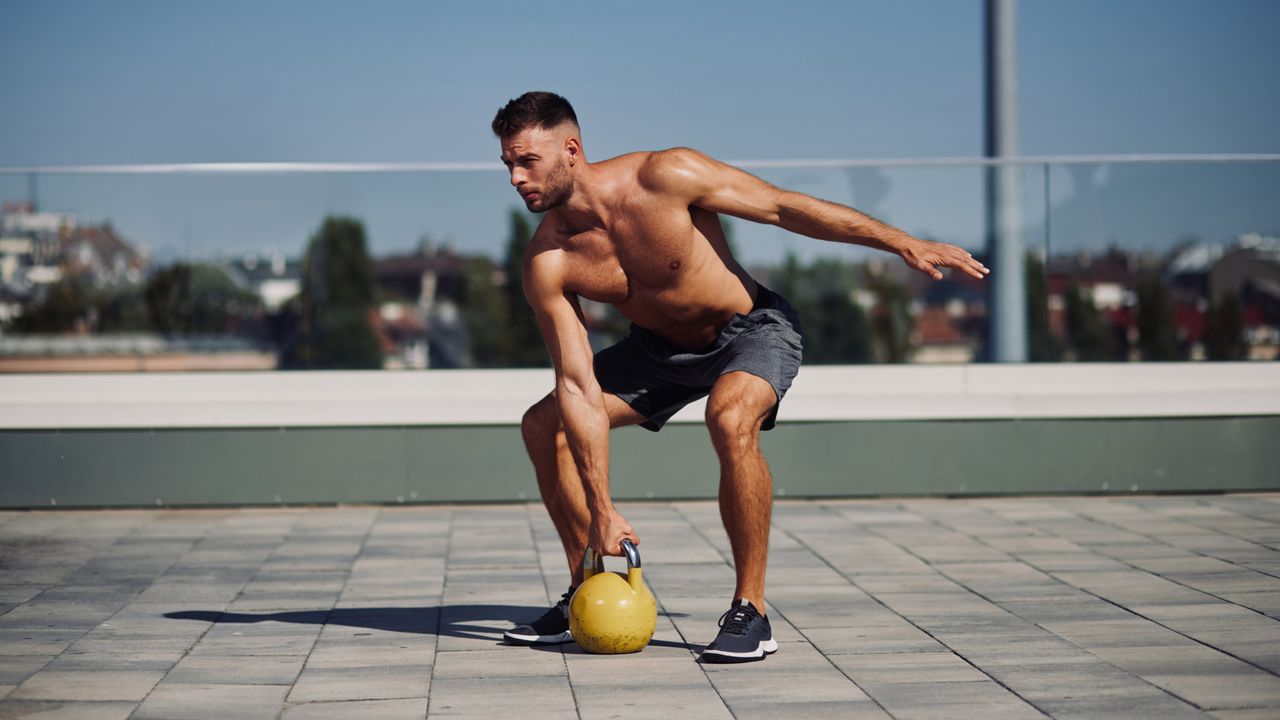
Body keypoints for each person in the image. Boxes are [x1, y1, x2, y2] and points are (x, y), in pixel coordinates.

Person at [496, 91, 988, 663]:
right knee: (542, 425)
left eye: (526, 160)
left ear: (572, 150)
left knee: (728, 418)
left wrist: (900, 240)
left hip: (750, 329)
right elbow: (578, 386)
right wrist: (603, 512)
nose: (514, 176)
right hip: (658, 352)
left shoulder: (666, 175)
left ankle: (750, 610)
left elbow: (782, 207)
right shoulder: (548, 261)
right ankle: (587, 587)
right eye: (507, 162)